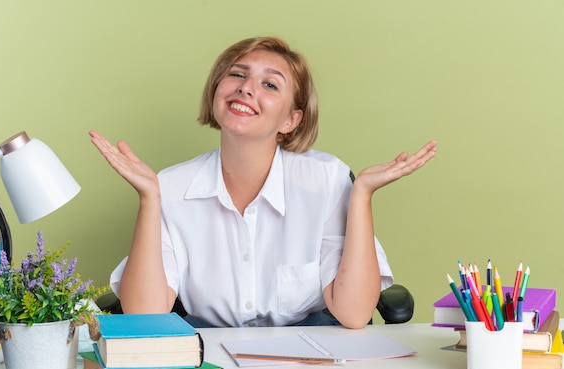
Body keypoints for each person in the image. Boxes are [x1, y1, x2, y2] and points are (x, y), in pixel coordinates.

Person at [90, 36, 437, 329]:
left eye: (269, 84)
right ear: (216, 92)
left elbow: (354, 314)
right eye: (237, 75)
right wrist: (150, 198)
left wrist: (361, 195)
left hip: (309, 358)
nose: (246, 87)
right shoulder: (171, 186)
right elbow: (146, 318)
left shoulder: (326, 181)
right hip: (209, 351)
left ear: (291, 119)